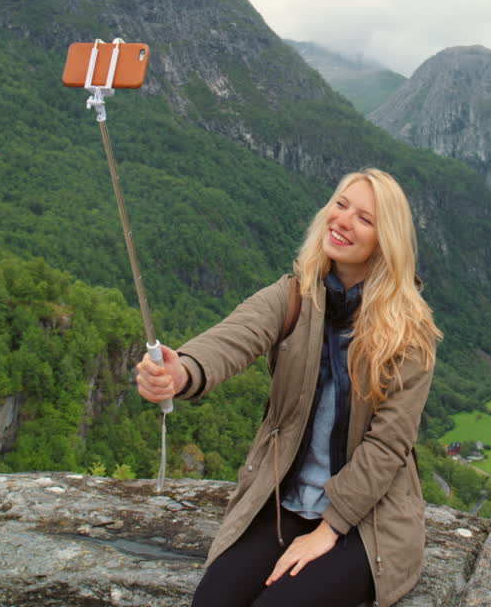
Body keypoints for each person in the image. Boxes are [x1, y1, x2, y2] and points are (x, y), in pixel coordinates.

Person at [135, 168, 442, 607]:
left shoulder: (408, 332)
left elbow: (387, 446)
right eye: (340, 205)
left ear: (385, 240)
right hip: (284, 500)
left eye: (364, 219)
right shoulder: (295, 296)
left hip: (368, 520)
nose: (343, 221)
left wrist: (329, 529)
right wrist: (181, 371)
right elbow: (234, 337)